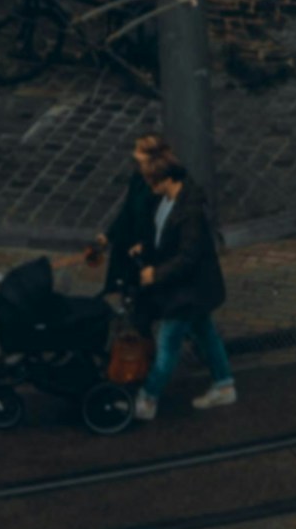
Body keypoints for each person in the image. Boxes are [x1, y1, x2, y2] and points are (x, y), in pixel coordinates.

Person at [132, 155, 234, 421]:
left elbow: (188, 257)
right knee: (205, 332)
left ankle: (147, 399)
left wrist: (155, 273)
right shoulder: (167, 200)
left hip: (187, 292)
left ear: (168, 179)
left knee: (167, 343)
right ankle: (224, 384)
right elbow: (164, 237)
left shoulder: (190, 213)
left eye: (153, 182)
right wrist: (147, 248)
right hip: (188, 289)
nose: (150, 187)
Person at [97, 129, 172, 303]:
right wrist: (109, 235)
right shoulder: (139, 177)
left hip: (147, 245)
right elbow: (128, 208)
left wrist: (144, 245)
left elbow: (161, 221)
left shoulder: (161, 185)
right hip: (130, 238)